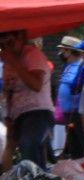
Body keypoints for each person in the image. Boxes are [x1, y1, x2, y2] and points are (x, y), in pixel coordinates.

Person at [1, 29, 54, 169]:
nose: (6, 48)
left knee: (29, 146)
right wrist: (8, 116)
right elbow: (10, 91)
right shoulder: (8, 60)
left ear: (20, 38)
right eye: (2, 45)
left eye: (10, 43)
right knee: (13, 148)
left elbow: (36, 85)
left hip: (37, 111)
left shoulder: (32, 55)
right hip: (18, 114)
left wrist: (14, 62)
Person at [56, 36, 84, 158]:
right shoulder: (69, 66)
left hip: (77, 114)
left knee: (80, 147)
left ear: (69, 51)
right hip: (69, 115)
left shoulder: (81, 67)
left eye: (63, 50)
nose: (60, 54)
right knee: (74, 148)